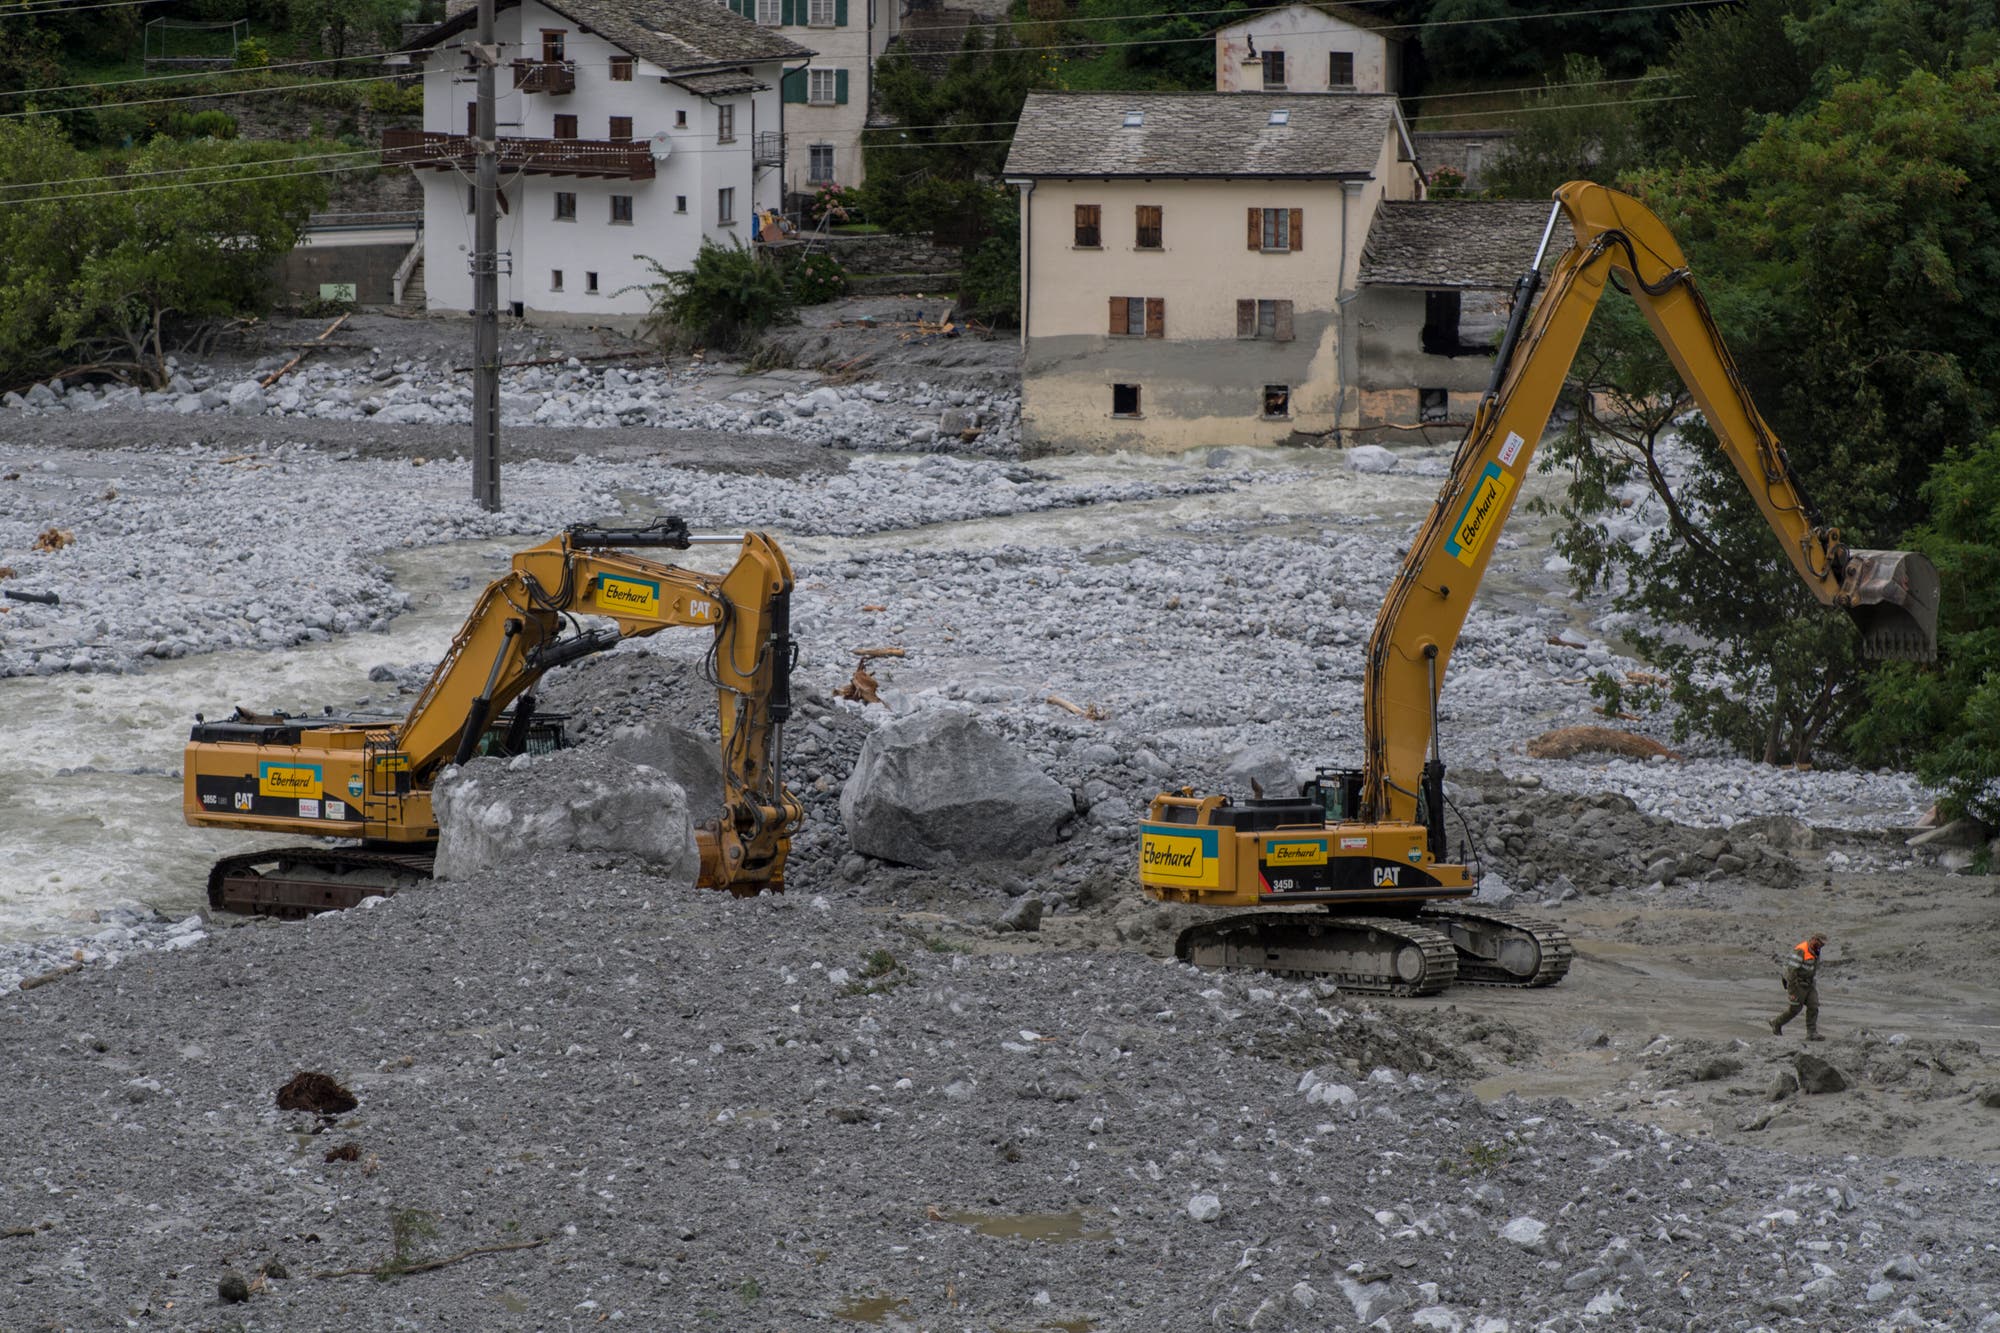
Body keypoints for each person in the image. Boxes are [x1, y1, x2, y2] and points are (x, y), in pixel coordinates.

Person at [1769, 933, 1828, 1041]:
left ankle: (1811, 1033)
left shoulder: (1816, 951)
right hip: (1797, 984)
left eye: (1823, 944)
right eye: (1820, 942)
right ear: (1814, 939)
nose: (1821, 946)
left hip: (1809, 984)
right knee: (1795, 1009)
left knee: (1813, 1005)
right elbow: (1791, 971)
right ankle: (1776, 1023)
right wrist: (1791, 990)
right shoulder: (1801, 950)